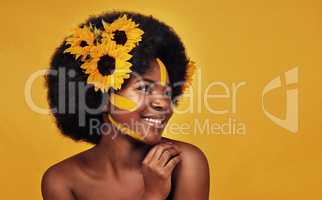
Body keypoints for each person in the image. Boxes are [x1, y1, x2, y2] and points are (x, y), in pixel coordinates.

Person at [41, 11, 210, 200]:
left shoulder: (186, 163)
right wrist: (153, 195)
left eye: (168, 92)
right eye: (145, 88)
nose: (164, 103)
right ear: (100, 97)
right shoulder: (62, 181)